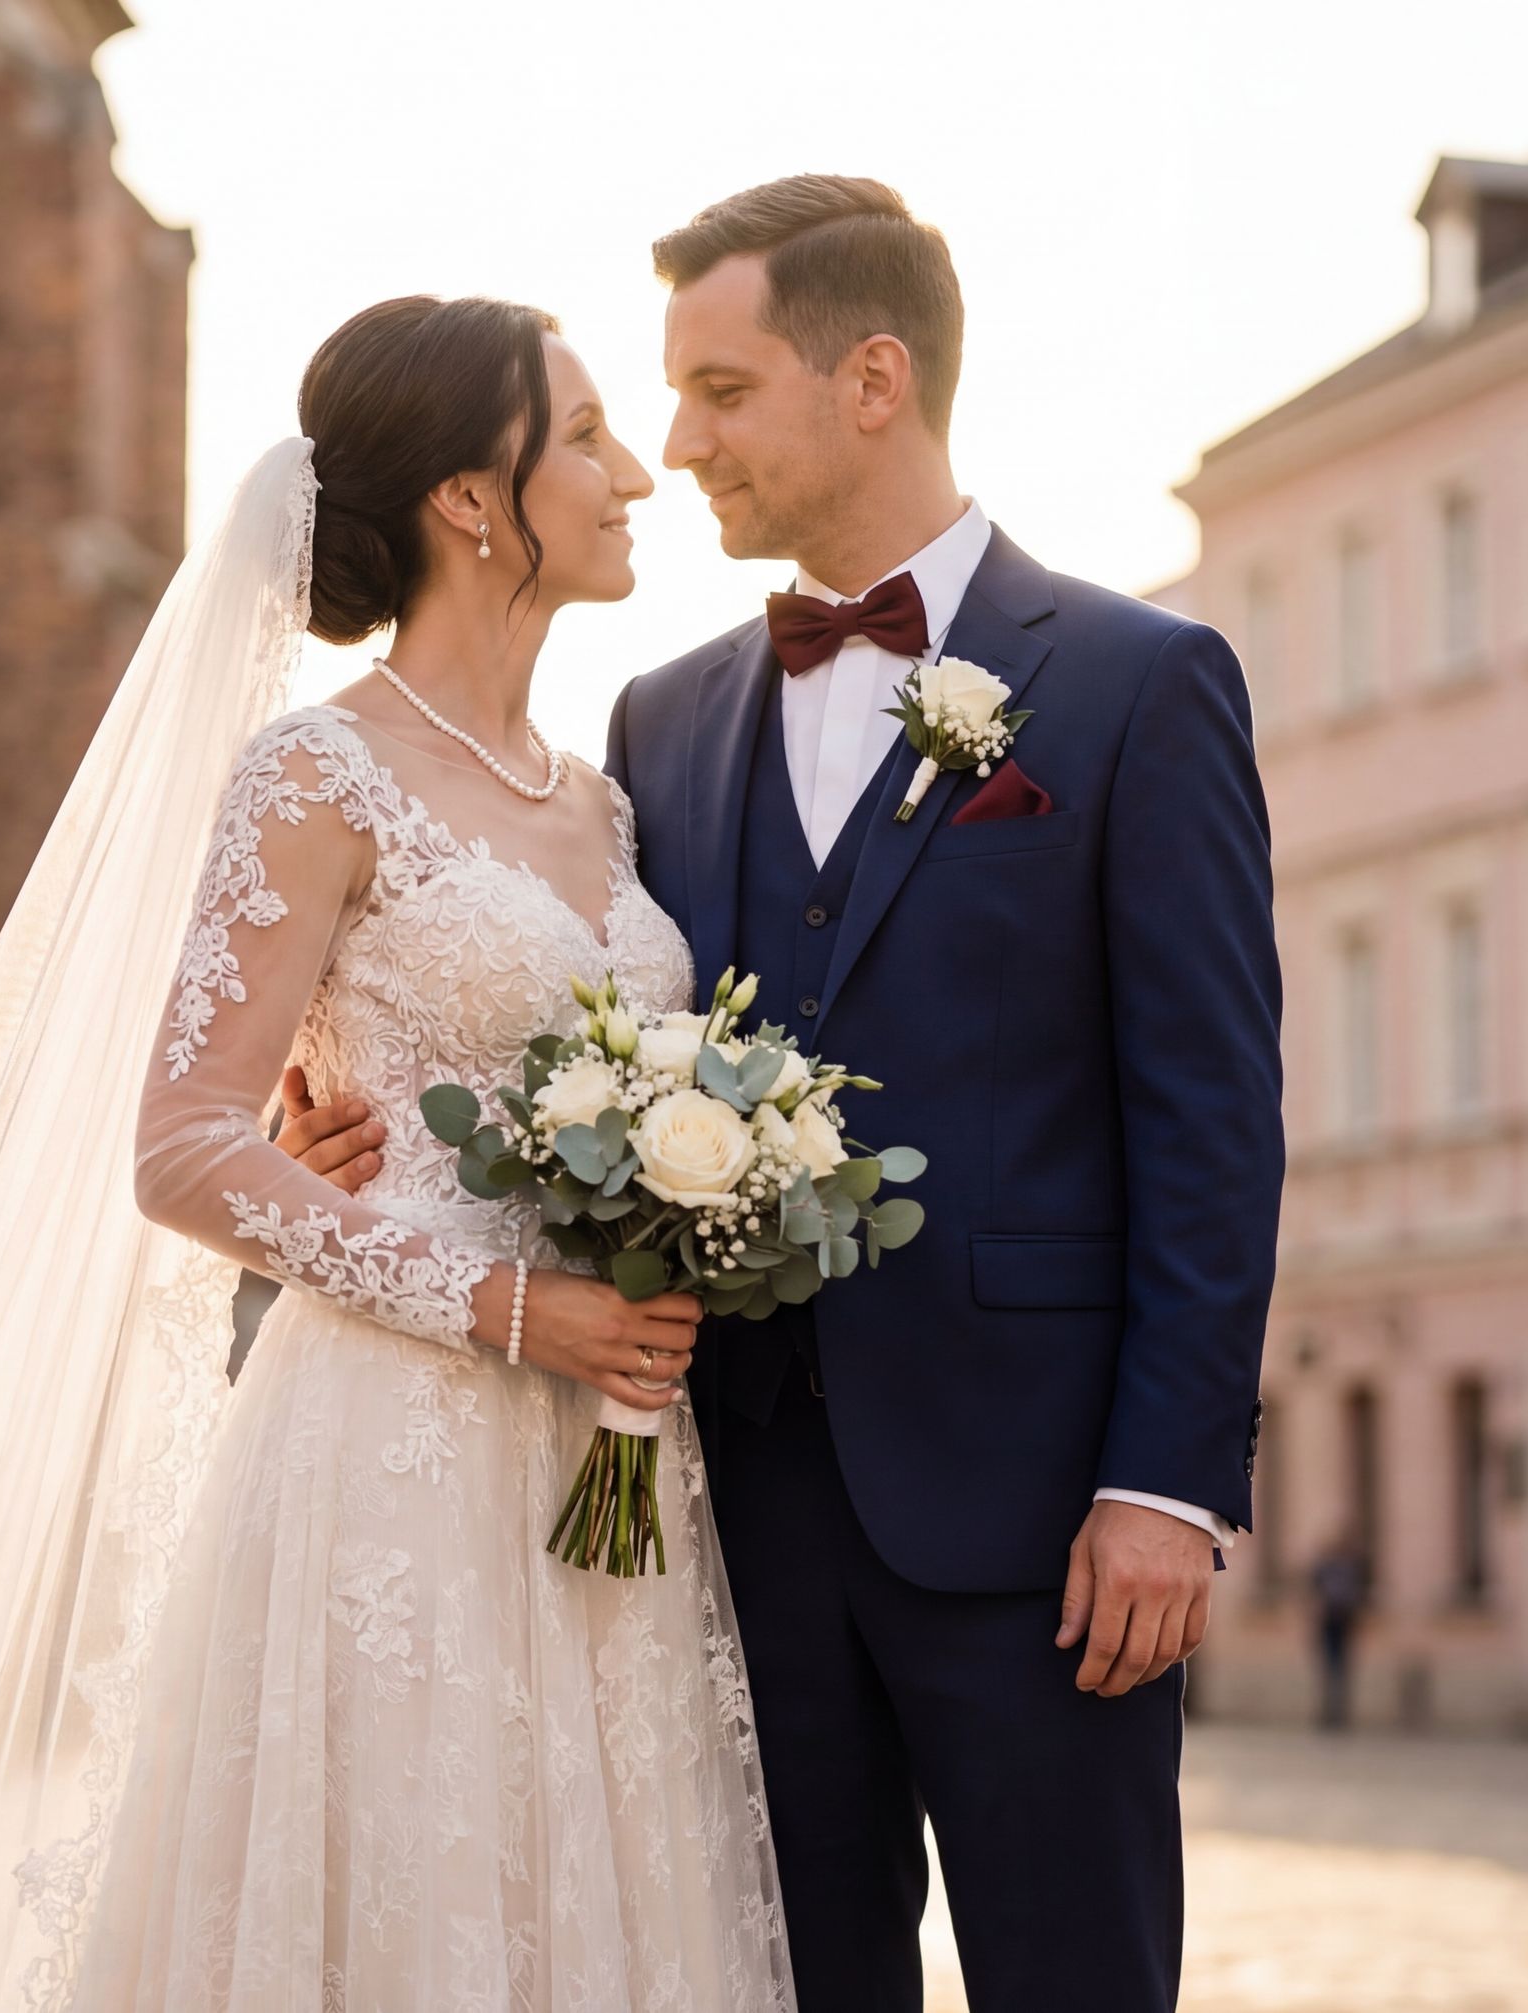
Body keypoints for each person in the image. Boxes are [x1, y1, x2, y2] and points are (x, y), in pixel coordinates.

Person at [0, 297, 795, 2010]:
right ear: (476, 500)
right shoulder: (318, 771)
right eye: (593, 433)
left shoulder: (601, 802)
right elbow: (179, 1146)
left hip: (604, 1455)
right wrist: (505, 1304)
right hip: (398, 1443)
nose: (635, 474)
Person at [293, 176, 1285, 2013]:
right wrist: (332, 1107)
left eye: (722, 390)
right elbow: (554, 1031)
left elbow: (1212, 1113)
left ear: (874, 381)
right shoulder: (656, 725)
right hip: (721, 1516)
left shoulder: (1140, 686)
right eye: (660, 401)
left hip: (1042, 1516)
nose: (680, 446)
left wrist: (1167, 1480)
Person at [1312, 1528, 1370, 1731]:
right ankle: (1332, 1713)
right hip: (1333, 1620)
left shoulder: (1346, 1567)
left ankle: (1336, 1714)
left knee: (1337, 1668)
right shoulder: (1342, 1566)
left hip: (1340, 1620)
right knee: (1334, 1668)